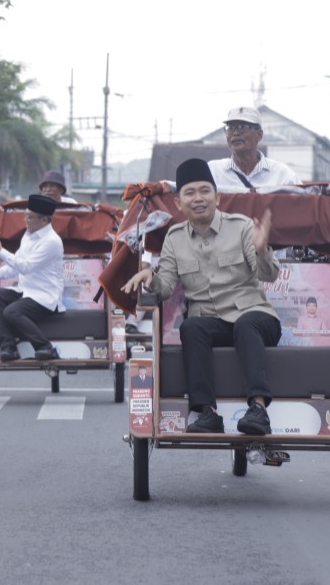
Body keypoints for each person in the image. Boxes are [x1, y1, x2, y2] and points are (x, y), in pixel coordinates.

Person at [121, 158, 280, 435]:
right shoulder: (174, 238)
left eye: (205, 191)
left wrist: (261, 250)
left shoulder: (242, 226)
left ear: (217, 198)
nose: (198, 198)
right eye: (190, 193)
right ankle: (206, 413)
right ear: (178, 203)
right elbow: (166, 287)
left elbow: (269, 275)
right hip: (211, 322)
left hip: (256, 317)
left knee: (245, 324)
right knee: (191, 327)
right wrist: (151, 278)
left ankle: (258, 410)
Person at [0, 194, 65, 361]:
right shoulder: (28, 235)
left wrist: (0, 250)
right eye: (25, 216)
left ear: (44, 220)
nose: (26, 220)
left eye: (29, 217)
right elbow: (16, 265)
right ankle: (9, 347)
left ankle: (45, 347)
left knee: (11, 311)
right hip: (26, 292)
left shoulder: (52, 241)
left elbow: (25, 267)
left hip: (45, 297)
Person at [207, 106, 301, 189]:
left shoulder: (283, 176)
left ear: (259, 135)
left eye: (243, 127)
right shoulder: (213, 171)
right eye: (230, 128)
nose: (235, 133)